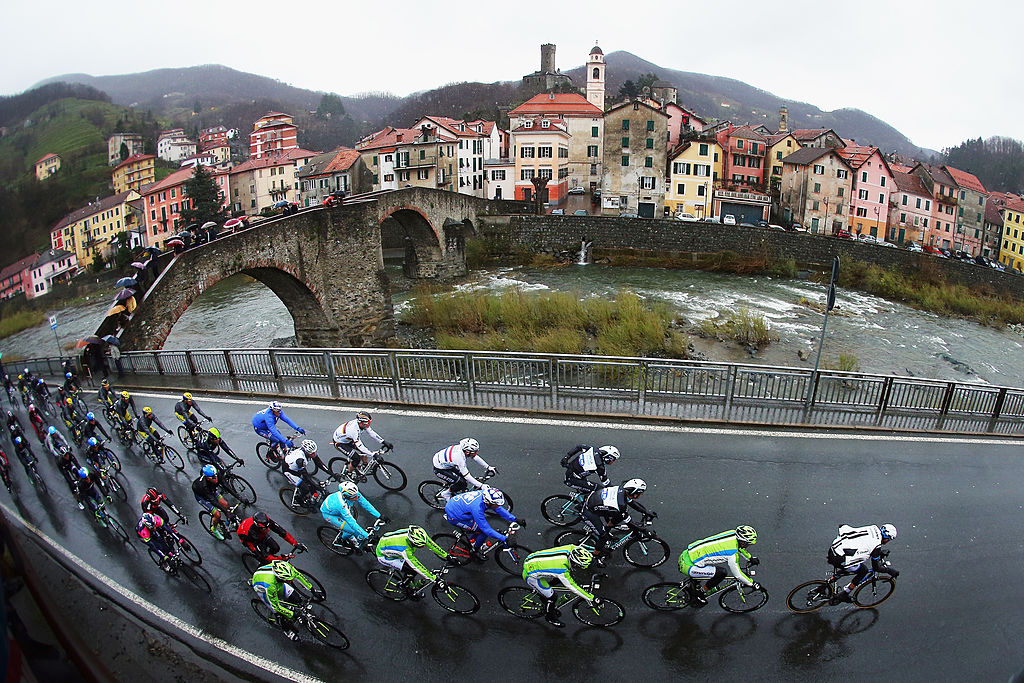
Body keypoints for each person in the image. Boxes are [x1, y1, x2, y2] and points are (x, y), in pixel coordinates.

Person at [582, 478, 657, 567]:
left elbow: (632, 503)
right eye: (639, 493)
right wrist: (644, 531)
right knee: (603, 536)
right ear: (633, 492)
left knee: (618, 516)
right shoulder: (620, 504)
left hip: (594, 503)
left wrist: (645, 511)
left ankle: (607, 528)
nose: (640, 496)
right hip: (589, 513)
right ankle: (595, 557)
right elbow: (629, 523)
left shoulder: (622, 490)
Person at [678, 525, 760, 605]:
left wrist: (750, 558)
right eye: (748, 544)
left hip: (687, 554)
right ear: (743, 542)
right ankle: (701, 593)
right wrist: (752, 583)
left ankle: (694, 586)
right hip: (689, 566)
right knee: (721, 573)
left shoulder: (732, 533)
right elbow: (738, 575)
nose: (749, 545)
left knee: (707, 571)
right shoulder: (732, 555)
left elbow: (739, 548)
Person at [522, 545, 597, 627]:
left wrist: (594, 560)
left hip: (532, 559)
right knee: (553, 597)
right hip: (531, 576)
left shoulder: (571, 548)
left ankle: (544, 594)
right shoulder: (561, 570)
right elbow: (573, 587)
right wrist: (590, 597)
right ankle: (550, 617)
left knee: (556, 582)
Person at [828, 523, 899, 603]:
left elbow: (864, 543)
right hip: (839, 557)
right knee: (863, 570)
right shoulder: (877, 546)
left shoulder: (872, 528)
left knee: (851, 566)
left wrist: (878, 553)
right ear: (887, 538)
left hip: (835, 548)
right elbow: (876, 568)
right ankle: (844, 594)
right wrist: (890, 571)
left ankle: (825, 585)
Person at [443, 486, 523, 555]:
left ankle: (472, 539)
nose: (498, 506)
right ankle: (474, 550)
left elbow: (498, 509)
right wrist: (505, 539)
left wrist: (514, 519)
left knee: (478, 526)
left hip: (457, 506)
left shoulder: (485, 495)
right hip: (455, 517)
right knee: (483, 532)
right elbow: (487, 530)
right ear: (488, 503)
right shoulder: (477, 509)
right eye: (496, 504)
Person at [374, 526, 450, 598]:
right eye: (420, 546)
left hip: (388, 543)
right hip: (385, 557)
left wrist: (446, 555)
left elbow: (431, 544)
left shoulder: (417, 532)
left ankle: (408, 581)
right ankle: (403, 585)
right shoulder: (405, 550)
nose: (424, 547)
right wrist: (435, 579)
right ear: (412, 542)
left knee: (410, 569)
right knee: (412, 571)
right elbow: (417, 566)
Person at [251, 560, 313, 641]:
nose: (290, 581)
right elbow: (276, 606)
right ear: (280, 578)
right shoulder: (270, 586)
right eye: (287, 579)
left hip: (275, 582)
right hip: (262, 588)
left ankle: (290, 607)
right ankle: (287, 631)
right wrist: (293, 614)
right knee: (279, 614)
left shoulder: (286, 567)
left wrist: (312, 589)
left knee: (296, 598)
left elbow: (298, 575)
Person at [320, 481, 388, 551]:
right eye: (353, 497)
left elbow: (365, 503)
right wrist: (367, 536)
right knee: (351, 529)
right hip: (329, 515)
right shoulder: (341, 505)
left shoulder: (353, 493)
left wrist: (379, 515)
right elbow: (352, 523)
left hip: (338, 509)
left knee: (355, 529)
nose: (356, 498)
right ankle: (340, 540)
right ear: (346, 496)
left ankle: (355, 540)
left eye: (356, 495)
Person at [332, 411, 391, 478]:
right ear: (362, 423)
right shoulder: (353, 430)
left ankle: (365, 465)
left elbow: (372, 433)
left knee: (364, 452)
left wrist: (383, 441)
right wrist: (373, 455)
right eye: (368, 423)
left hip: (348, 439)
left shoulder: (362, 423)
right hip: (340, 443)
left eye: (370, 422)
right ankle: (349, 472)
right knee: (356, 459)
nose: (369, 425)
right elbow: (360, 446)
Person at [238, 511, 306, 562]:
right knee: (263, 558)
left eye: (268, 527)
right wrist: (281, 559)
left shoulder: (265, 522)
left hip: (260, 534)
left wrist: (295, 543)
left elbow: (281, 531)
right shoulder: (252, 533)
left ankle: (271, 557)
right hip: (249, 539)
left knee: (276, 548)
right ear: (259, 527)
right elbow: (264, 554)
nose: (268, 530)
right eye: (265, 528)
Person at [192, 464, 236, 539]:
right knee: (217, 514)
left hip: (211, 491)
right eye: (213, 477)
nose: (216, 478)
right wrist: (226, 512)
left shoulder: (216, 475)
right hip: (203, 496)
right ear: (208, 478)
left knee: (225, 504)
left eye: (216, 475)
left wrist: (240, 498)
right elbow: (213, 501)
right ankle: (214, 528)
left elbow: (227, 487)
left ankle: (227, 521)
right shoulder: (204, 486)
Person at [283, 440, 320, 506]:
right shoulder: (300, 460)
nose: (314, 454)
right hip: (289, 471)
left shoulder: (306, 452)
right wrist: (316, 486)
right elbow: (305, 475)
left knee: (310, 484)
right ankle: (298, 499)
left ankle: (313, 497)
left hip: (295, 467)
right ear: (307, 452)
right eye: (312, 453)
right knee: (305, 489)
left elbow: (319, 462)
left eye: (315, 452)